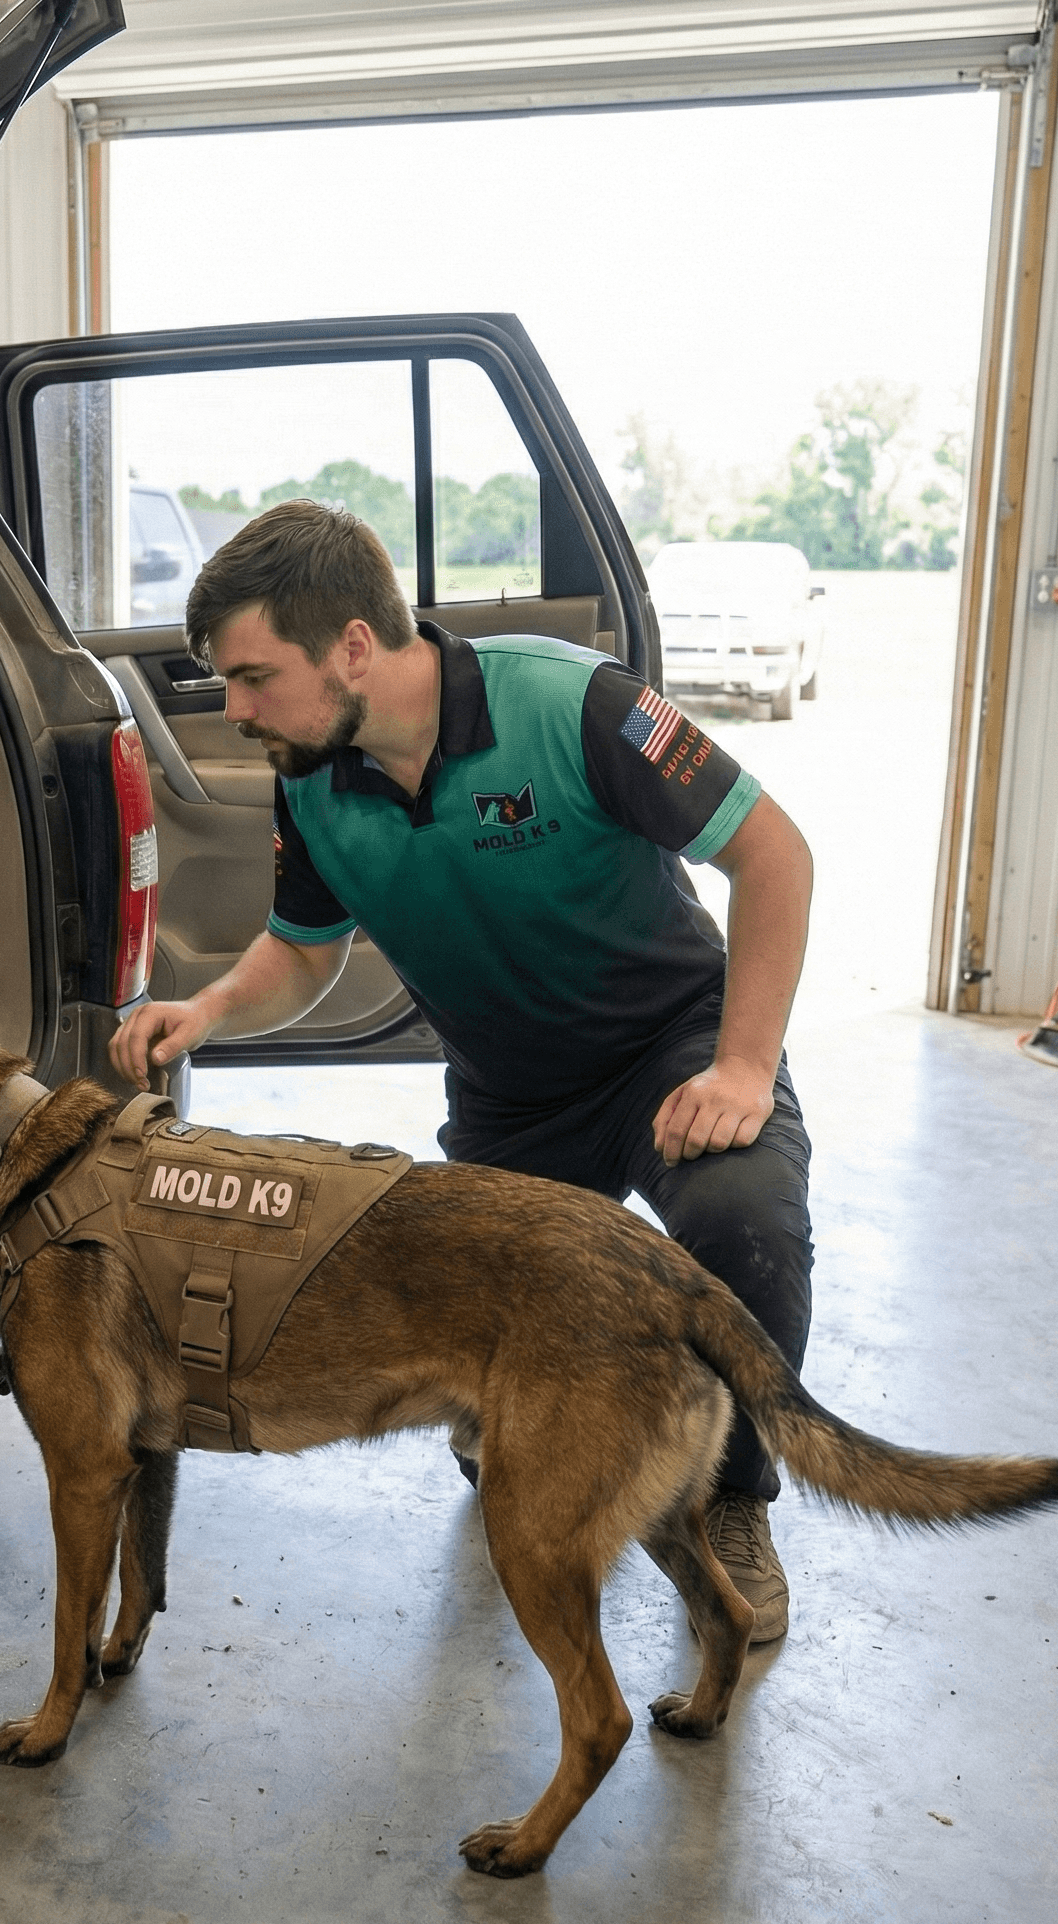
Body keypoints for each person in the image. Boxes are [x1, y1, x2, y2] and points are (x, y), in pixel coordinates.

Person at [109, 499, 815, 1643]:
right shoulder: (312, 769)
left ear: (350, 646)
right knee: (478, 1307)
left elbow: (771, 851)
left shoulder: (578, 705)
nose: (234, 711)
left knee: (745, 1225)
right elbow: (302, 948)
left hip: (666, 1045)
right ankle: (507, 1403)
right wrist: (208, 1007)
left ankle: (732, 1497)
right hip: (510, 1090)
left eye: (250, 676)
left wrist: (742, 1065)